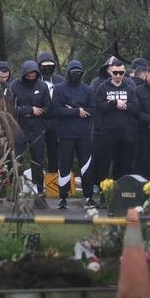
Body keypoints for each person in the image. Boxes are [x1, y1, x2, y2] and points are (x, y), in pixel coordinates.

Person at [52, 60, 96, 209]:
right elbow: (56, 110)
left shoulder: (88, 89)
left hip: (83, 134)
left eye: (79, 73)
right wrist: (77, 111)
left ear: (82, 73)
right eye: (73, 72)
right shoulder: (59, 89)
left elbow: (92, 110)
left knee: (86, 167)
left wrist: (70, 109)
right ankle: (63, 198)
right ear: (68, 72)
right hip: (65, 134)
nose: (76, 75)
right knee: (64, 167)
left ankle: (89, 196)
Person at [93, 60, 139, 191]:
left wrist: (125, 105)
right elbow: (99, 107)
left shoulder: (129, 88)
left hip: (126, 134)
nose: (118, 75)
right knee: (103, 165)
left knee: (124, 165)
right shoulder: (102, 87)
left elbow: (136, 108)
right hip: (107, 134)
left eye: (121, 72)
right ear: (110, 72)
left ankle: (121, 193)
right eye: (115, 73)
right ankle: (103, 193)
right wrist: (114, 103)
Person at [8, 60, 51, 196]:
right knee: (16, 159)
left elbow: (48, 107)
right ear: (24, 74)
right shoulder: (14, 85)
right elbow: (10, 108)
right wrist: (30, 110)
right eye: (29, 75)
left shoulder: (42, 86)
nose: (31, 78)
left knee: (38, 160)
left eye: (34, 75)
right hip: (19, 127)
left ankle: (39, 190)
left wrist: (40, 112)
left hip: (37, 128)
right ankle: (14, 190)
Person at [36, 52, 64, 175]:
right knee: (38, 152)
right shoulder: (34, 79)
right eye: (44, 65)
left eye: (50, 65)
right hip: (38, 121)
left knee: (54, 151)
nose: (47, 68)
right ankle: (38, 183)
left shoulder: (60, 80)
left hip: (56, 121)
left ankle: (54, 180)